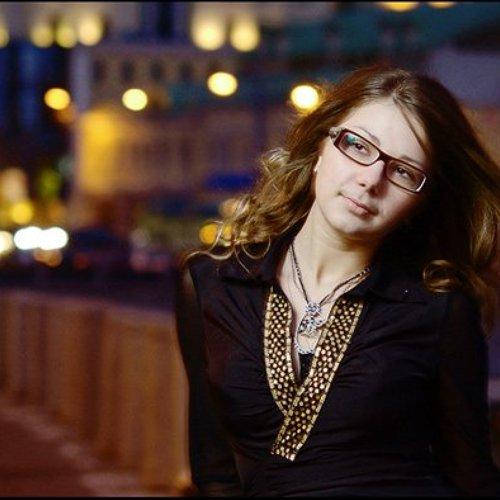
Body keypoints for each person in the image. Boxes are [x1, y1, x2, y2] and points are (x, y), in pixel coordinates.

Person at [174, 65, 500, 497]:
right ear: (320, 147)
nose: (370, 179)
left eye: (404, 171)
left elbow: (471, 477)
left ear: (421, 202)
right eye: (358, 146)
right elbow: (214, 471)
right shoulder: (212, 284)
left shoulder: (440, 307)